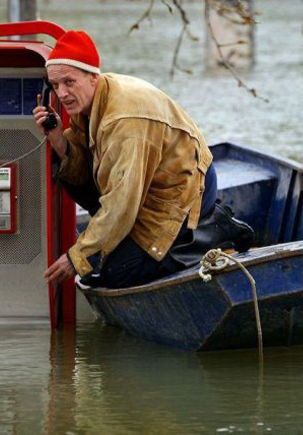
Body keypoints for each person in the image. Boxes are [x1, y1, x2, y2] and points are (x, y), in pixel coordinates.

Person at [33, 30, 253, 289]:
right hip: (146, 188)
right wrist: (59, 141)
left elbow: (122, 203)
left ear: (93, 76)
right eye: (56, 85)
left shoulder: (125, 122)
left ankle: (213, 230)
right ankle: (117, 242)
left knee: (115, 275)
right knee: (96, 256)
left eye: (69, 82)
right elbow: (87, 177)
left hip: (184, 192)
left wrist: (77, 256)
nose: (62, 93)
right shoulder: (92, 101)